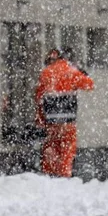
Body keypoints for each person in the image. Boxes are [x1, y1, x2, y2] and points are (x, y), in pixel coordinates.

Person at [35, 47, 94, 177]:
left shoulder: (45, 73)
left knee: (50, 149)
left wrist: (40, 120)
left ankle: (49, 176)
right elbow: (89, 85)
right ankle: (64, 175)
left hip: (51, 121)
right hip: (68, 120)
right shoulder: (71, 71)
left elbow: (39, 98)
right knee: (67, 151)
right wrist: (81, 72)